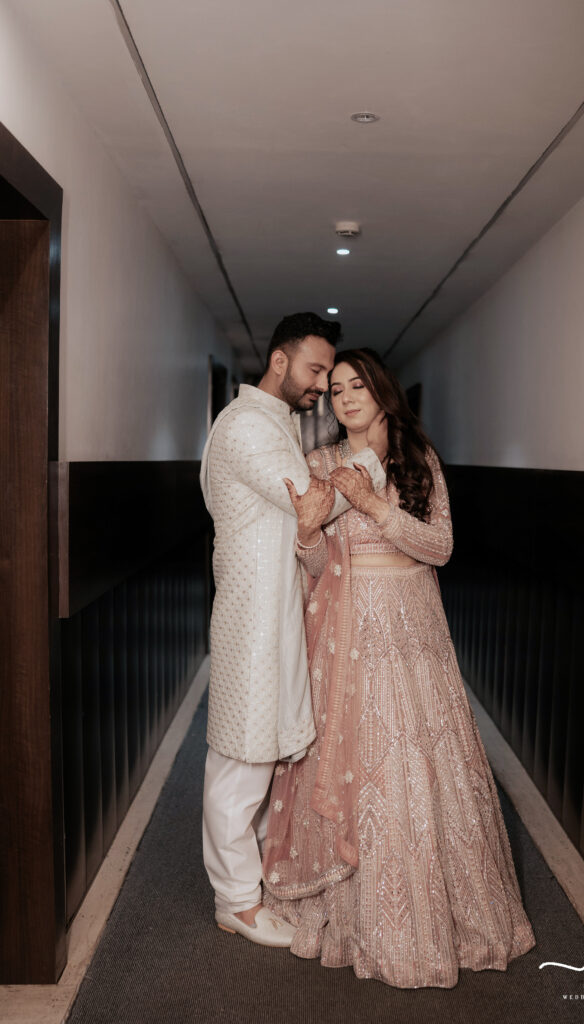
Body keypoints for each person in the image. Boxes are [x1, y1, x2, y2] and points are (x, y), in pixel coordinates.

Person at [263, 348, 536, 986]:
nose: (346, 398)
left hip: (414, 635)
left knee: (417, 761)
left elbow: (439, 548)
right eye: (334, 390)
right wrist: (307, 535)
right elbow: (315, 568)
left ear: (382, 391)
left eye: (358, 385)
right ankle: (347, 918)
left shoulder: (417, 459)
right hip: (347, 629)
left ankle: (439, 923)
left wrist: (376, 505)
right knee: (354, 760)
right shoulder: (321, 463)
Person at [199, 316, 388, 947]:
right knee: (240, 759)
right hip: (253, 615)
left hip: (276, 609)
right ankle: (236, 901)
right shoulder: (250, 425)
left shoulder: (276, 421)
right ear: (279, 362)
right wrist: (369, 461)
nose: (321, 387)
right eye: (314, 372)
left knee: (267, 750)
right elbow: (313, 500)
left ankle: (251, 879)